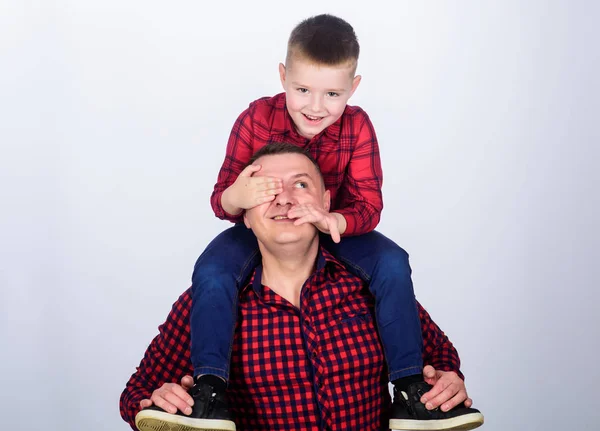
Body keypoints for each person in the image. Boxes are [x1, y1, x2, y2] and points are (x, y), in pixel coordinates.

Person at [124, 144, 484, 431]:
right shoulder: (208, 301)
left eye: (300, 185)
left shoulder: (374, 286)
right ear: (244, 215)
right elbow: (136, 395)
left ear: (326, 204)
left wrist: (446, 384)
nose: (284, 199)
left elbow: (439, 358)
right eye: (264, 190)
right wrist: (161, 401)